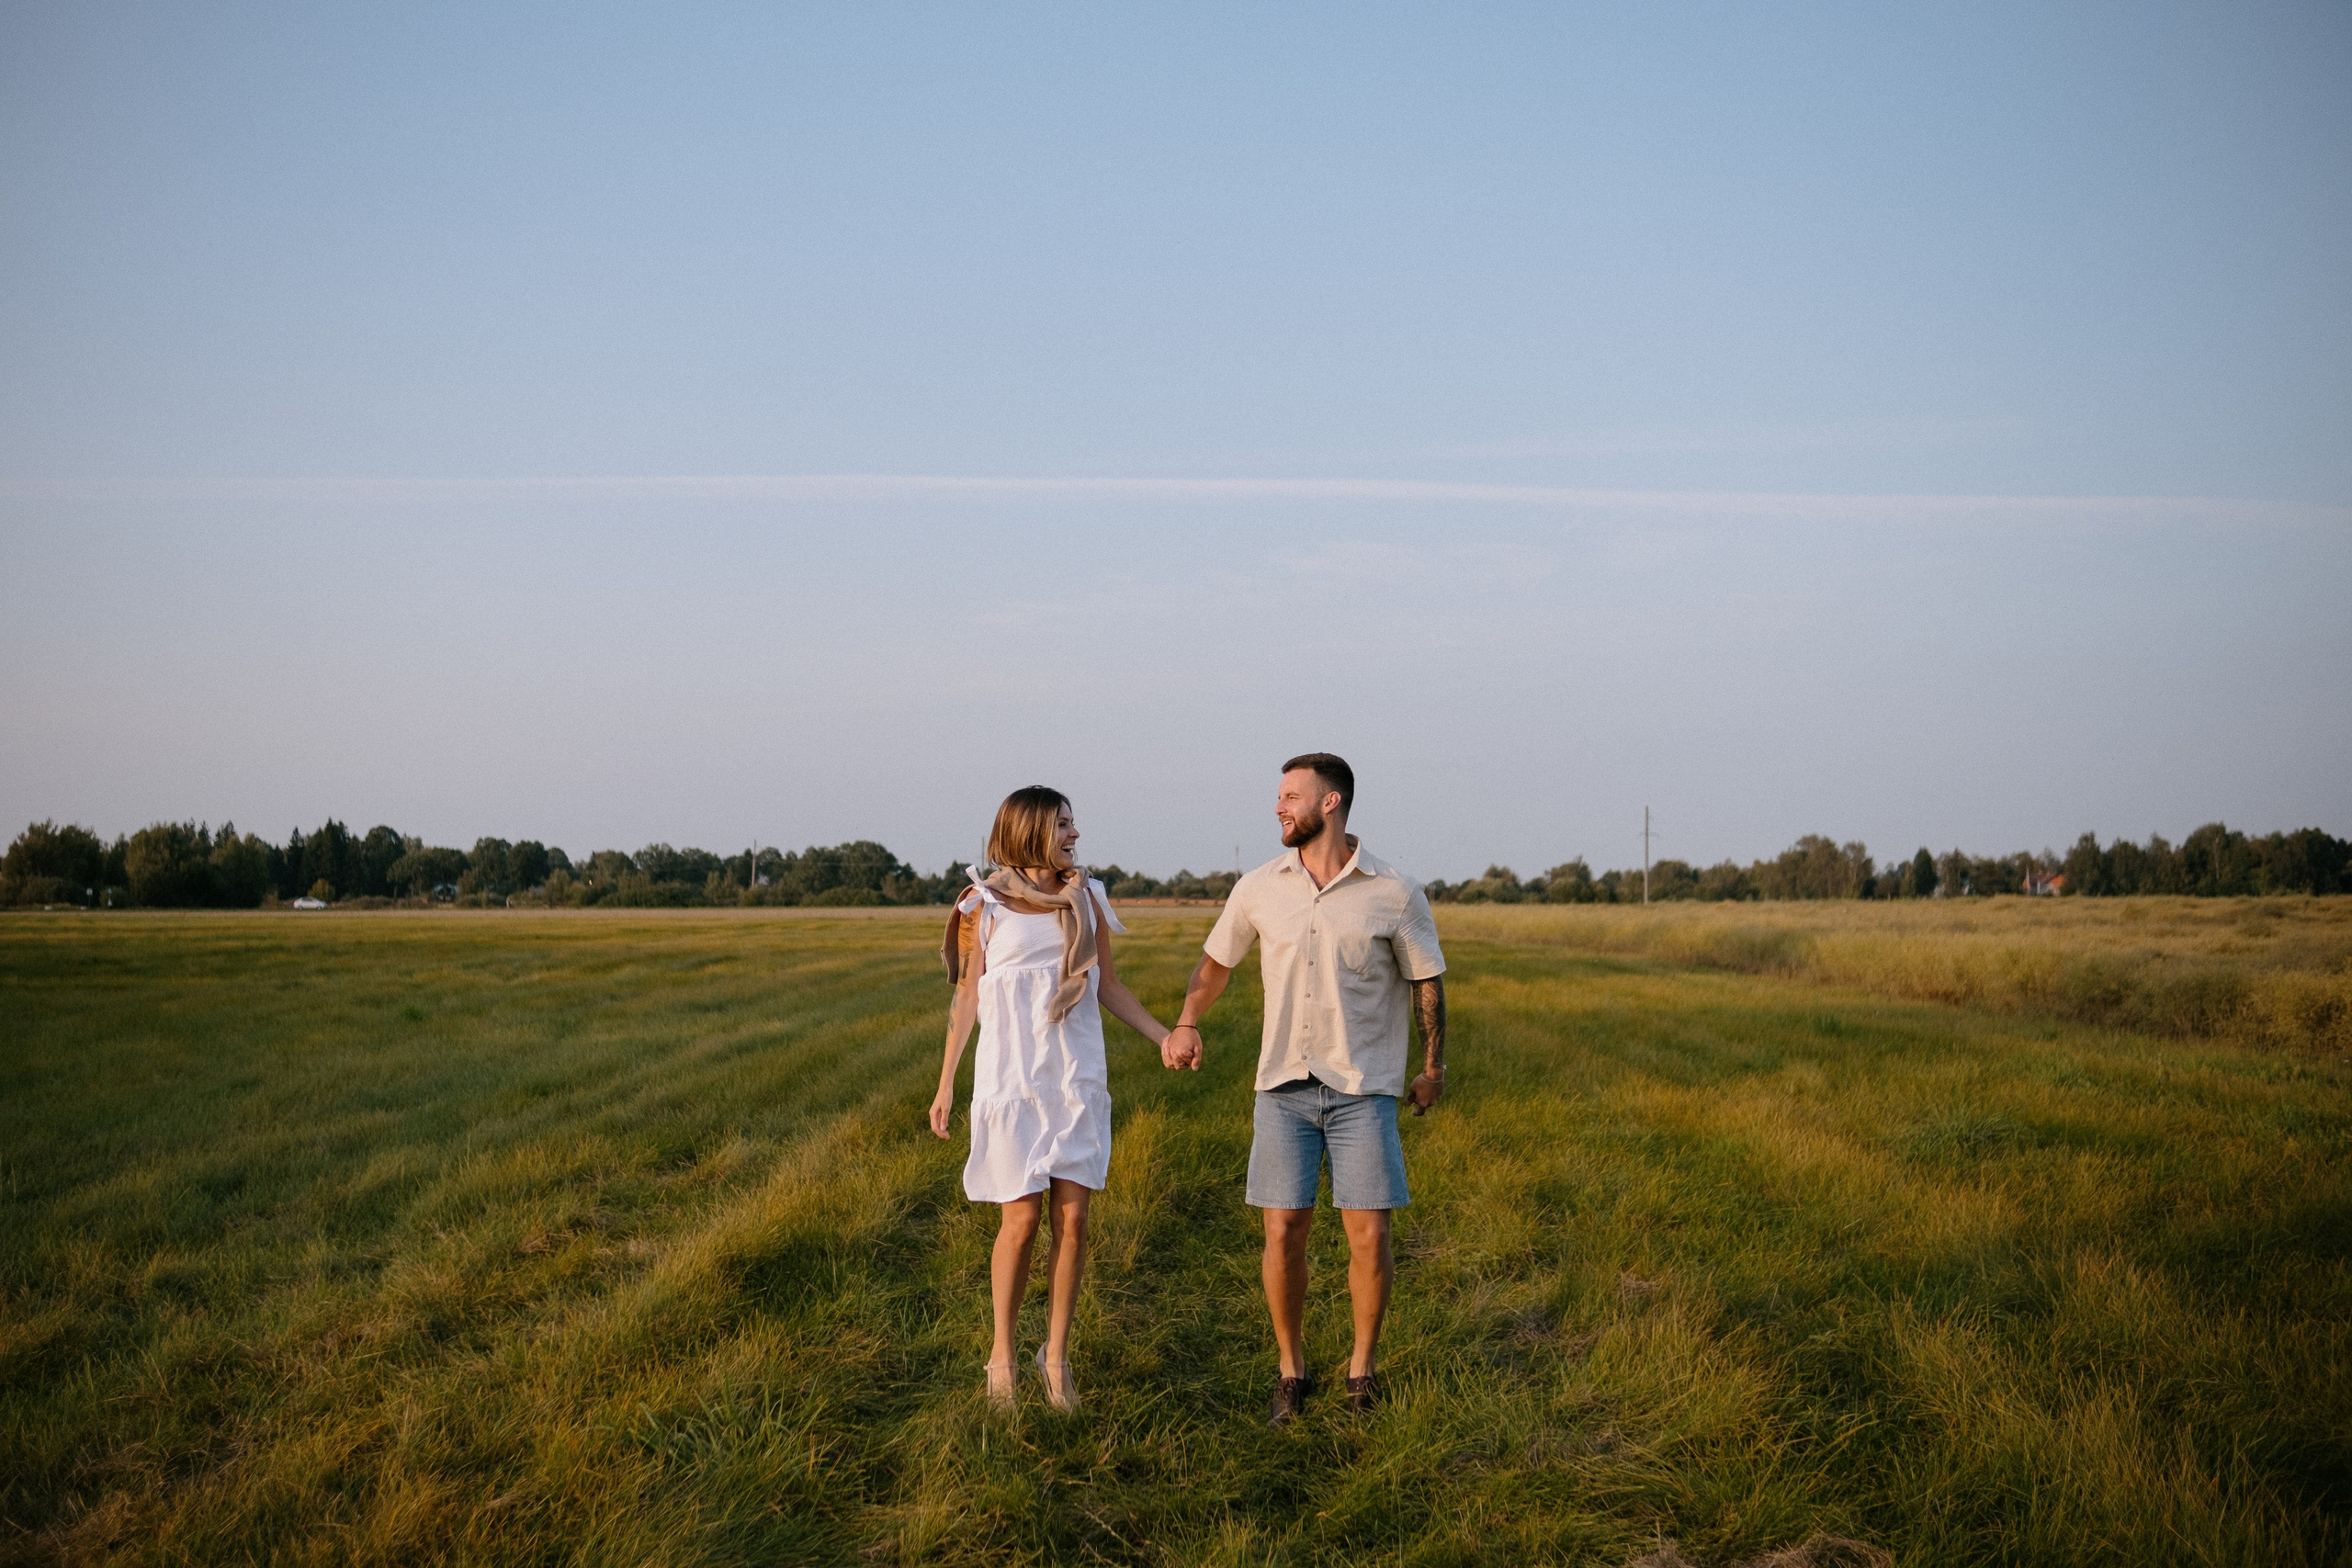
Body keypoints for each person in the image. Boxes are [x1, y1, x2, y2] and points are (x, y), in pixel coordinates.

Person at [1162, 752, 1447, 1427]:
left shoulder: (1395, 891)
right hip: (1283, 1087)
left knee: (1369, 1236)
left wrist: (1433, 1067)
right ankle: (1290, 1368)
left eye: (1291, 795)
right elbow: (1216, 960)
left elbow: (1426, 982)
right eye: (1279, 795)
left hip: (1363, 1089)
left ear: (1331, 802)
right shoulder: (1259, 887)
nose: (1278, 806)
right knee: (1283, 1230)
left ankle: (1361, 1369)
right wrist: (1187, 1019)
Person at [930, 785, 1172, 1413]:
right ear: (1032, 829)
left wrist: (1163, 1035)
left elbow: (1107, 986)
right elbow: (968, 998)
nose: (1075, 834)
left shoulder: (1086, 898)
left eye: (1073, 823)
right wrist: (946, 1081)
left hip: (1074, 1077)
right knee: (1022, 1220)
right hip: (1012, 1081)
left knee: (1073, 1218)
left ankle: (1055, 1357)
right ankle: (1003, 1355)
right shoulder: (982, 903)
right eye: (1064, 824)